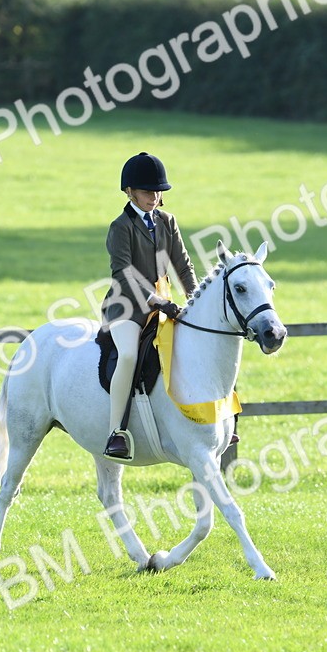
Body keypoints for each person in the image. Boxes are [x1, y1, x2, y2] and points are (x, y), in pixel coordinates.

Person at [101, 152, 197, 460]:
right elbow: (123, 272)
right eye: (147, 192)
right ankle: (116, 432)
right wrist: (157, 300)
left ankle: (216, 417)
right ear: (130, 191)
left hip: (164, 304)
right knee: (128, 355)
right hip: (126, 307)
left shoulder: (167, 222)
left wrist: (195, 299)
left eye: (158, 192)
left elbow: (183, 266)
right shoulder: (121, 227)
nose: (154, 197)